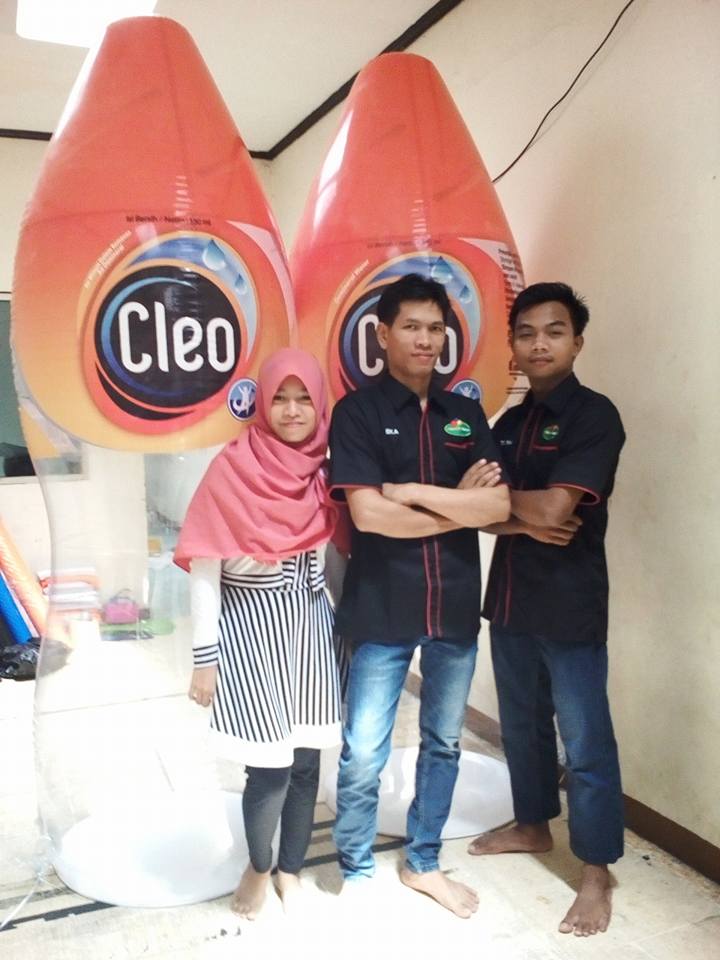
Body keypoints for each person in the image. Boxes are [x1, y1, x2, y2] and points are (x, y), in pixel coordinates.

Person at [328, 272, 510, 918]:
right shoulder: (357, 414)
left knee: (444, 743)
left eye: (435, 328)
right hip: (382, 608)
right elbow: (369, 516)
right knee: (364, 749)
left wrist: (413, 494)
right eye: (412, 326)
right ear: (383, 334)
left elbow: (497, 506)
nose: (426, 339)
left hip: (454, 608)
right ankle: (355, 866)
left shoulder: (465, 414)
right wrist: (458, 505)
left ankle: (424, 861)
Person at [467, 282, 625, 937]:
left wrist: (510, 509)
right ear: (514, 346)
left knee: (584, 742)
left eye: (554, 331)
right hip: (510, 601)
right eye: (527, 333)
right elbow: (476, 512)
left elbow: (560, 508)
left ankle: (596, 870)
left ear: (576, 342)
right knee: (523, 726)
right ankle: (533, 824)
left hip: (569, 605)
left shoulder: (594, 416)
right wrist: (522, 518)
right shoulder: (506, 425)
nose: (540, 343)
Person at [174, 348, 344, 919]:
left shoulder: (325, 470)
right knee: (268, 766)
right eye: (281, 398)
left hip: (310, 628)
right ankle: (259, 865)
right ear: (263, 403)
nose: (293, 410)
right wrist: (205, 658)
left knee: (306, 763)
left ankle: (291, 869)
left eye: (304, 399)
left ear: (319, 406)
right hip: (250, 629)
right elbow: (205, 572)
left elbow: (334, 561)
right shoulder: (232, 469)